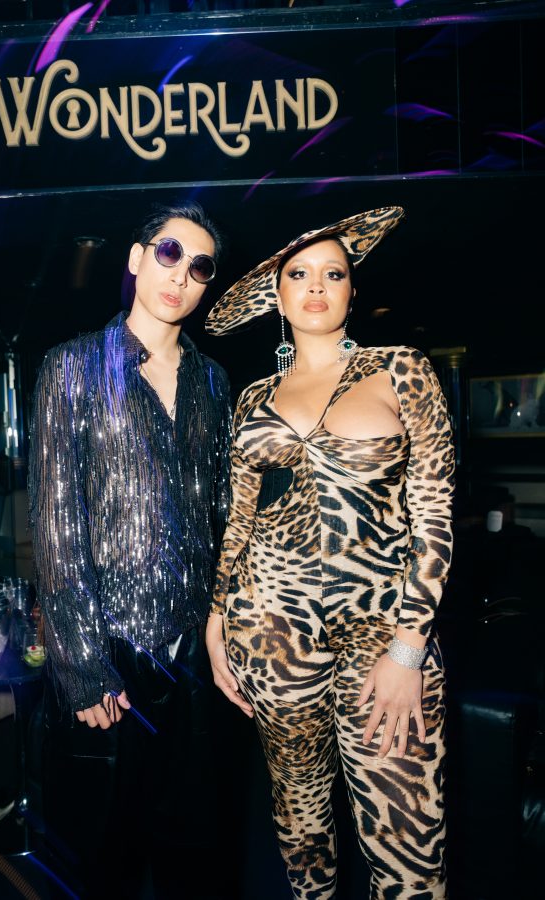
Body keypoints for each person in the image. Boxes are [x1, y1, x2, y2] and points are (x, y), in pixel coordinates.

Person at [205, 206, 455, 900]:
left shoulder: (401, 370)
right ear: (277, 295)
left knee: (408, 848)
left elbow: (435, 517)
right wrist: (217, 619)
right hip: (269, 630)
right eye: (299, 274)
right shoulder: (253, 398)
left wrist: (409, 648)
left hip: (385, 632)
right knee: (300, 827)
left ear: (352, 289)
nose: (316, 286)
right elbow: (240, 518)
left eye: (333, 273)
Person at [28, 202, 231, 899]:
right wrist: (82, 668)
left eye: (199, 266)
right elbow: (57, 524)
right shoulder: (73, 366)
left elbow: (223, 516)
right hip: (110, 654)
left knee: (196, 858)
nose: (181, 275)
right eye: (169, 253)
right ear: (138, 258)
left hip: (195, 658)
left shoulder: (213, 381)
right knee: (100, 862)